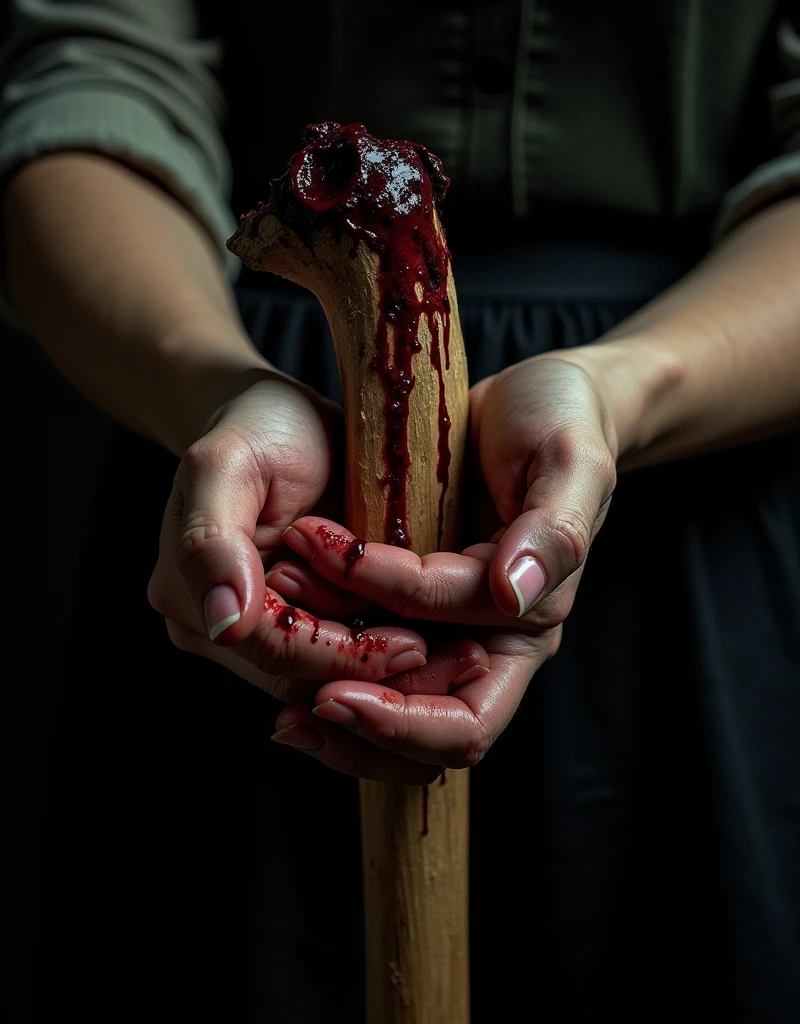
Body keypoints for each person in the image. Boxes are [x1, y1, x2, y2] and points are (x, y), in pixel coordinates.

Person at [2, 0, 798, 1018]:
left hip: (691, 446)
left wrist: (622, 390)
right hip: (262, 447)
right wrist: (209, 392)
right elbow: (90, 75)